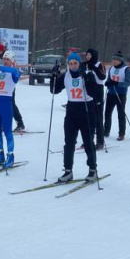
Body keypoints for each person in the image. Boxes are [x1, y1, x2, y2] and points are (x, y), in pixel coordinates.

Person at [50, 51, 98, 183]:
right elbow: (54, 90)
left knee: (88, 142)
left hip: (87, 110)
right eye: (70, 63)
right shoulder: (65, 76)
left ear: (79, 63)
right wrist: (53, 77)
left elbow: (93, 93)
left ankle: (93, 170)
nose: (73, 66)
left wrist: (87, 78)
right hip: (71, 111)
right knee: (69, 143)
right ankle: (68, 171)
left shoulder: (87, 74)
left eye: (75, 63)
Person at [0, 43, 25, 131]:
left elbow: (12, 70)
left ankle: (20, 123)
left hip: (9, 86)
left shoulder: (8, 57)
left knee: (11, 105)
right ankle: (2, 124)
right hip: (1, 86)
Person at [104, 51, 130, 141]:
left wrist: (117, 83)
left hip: (121, 94)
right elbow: (109, 78)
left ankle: (121, 133)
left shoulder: (126, 69)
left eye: (116, 60)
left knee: (121, 114)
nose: (114, 61)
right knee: (107, 113)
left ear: (120, 61)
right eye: (113, 59)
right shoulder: (111, 68)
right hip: (111, 93)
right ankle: (106, 130)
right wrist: (108, 83)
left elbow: (128, 83)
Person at [84, 48, 107, 149]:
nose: (88, 56)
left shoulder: (99, 64)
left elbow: (103, 77)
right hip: (87, 90)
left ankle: (100, 141)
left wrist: (94, 68)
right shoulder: (85, 64)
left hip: (98, 90)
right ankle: (88, 140)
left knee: (98, 118)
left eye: (89, 55)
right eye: (87, 55)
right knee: (88, 118)